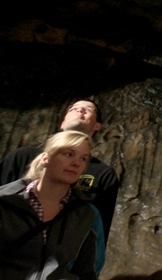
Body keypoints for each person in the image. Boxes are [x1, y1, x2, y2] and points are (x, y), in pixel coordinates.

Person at [0, 99, 119, 243]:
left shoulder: (103, 174)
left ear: (97, 126)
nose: (80, 110)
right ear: (45, 159)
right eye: (73, 108)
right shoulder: (22, 156)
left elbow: (97, 233)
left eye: (88, 109)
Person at [0, 130, 105, 279]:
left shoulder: (84, 213)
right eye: (69, 154)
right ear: (46, 158)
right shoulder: (5, 201)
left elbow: (86, 270)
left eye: (83, 159)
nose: (76, 163)